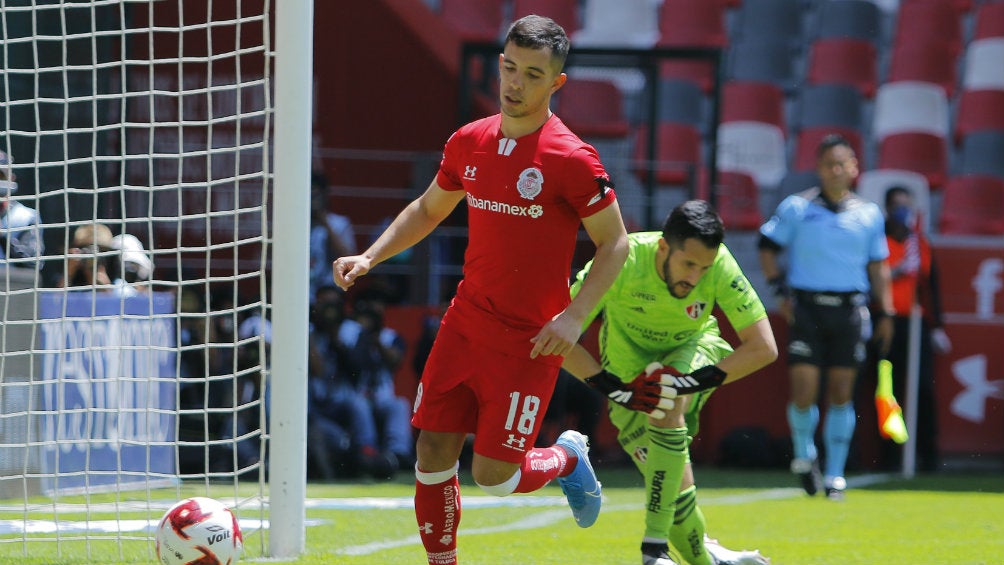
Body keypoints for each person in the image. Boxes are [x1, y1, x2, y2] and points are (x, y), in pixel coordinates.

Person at [333, 15, 630, 565]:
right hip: (465, 323)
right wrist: (371, 255)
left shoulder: (572, 158)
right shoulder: (469, 141)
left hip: (529, 342)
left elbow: (615, 243)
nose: (515, 84)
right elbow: (428, 209)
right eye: (510, 68)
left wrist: (574, 318)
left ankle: (565, 458)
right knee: (432, 450)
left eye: (533, 75)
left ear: (556, 84)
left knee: (494, 478)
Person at [562, 200, 777, 565]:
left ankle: (653, 550)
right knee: (676, 494)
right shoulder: (623, 260)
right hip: (625, 382)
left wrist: (689, 382)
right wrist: (618, 391)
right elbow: (560, 338)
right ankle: (707, 556)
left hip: (694, 353)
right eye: (688, 264)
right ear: (663, 246)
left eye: (703, 268)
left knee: (664, 394)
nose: (695, 277)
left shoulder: (719, 264)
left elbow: (764, 348)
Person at [757, 133, 895, 501]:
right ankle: (805, 457)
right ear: (818, 168)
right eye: (829, 164)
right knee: (803, 391)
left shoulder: (868, 214)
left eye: (842, 163)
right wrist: (778, 290)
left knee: (841, 392)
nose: (836, 170)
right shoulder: (797, 208)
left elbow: (879, 266)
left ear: (854, 168)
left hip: (850, 310)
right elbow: (767, 248)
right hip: (807, 307)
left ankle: (835, 474)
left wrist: (887, 311)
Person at [880, 185, 951, 472]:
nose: (903, 212)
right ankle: (890, 456)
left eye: (907, 206)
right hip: (885, 322)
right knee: (887, 391)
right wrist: (893, 272)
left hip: (916, 324)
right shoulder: (878, 240)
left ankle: (927, 456)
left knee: (922, 389)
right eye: (898, 205)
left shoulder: (919, 243)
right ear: (887, 208)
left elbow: (930, 287)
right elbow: (870, 279)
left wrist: (937, 326)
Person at [309, 170, 357, 302]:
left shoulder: (339, 223)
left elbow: (348, 257)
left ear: (324, 195)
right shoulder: (295, 226)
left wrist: (325, 223)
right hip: (301, 287)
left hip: (330, 290)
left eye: (316, 195)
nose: (313, 200)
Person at [0, 149, 44, 270]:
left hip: (13, 286)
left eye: (0, 175)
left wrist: (3, 237)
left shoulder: (27, 217)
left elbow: (33, 263)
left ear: (11, 178)